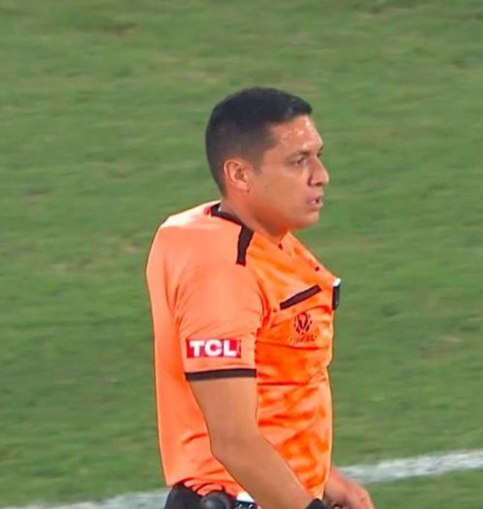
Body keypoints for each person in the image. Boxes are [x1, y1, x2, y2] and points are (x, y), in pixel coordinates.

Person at [145, 87, 375, 509]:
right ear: (240, 175)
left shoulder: (260, 242)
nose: (320, 174)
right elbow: (233, 440)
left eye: (317, 155)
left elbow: (275, 393)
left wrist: (321, 475)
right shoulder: (221, 272)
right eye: (298, 161)